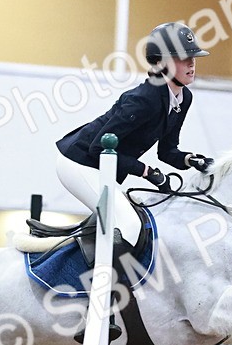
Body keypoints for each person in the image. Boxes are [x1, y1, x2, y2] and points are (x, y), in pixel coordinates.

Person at [55, 22, 214, 246]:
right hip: (79, 163)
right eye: (181, 58)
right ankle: (99, 281)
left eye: (193, 57)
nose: (191, 63)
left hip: (103, 165)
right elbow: (99, 148)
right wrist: (146, 171)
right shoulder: (143, 99)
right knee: (128, 224)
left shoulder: (183, 98)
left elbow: (167, 152)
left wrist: (191, 159)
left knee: (133, 221)